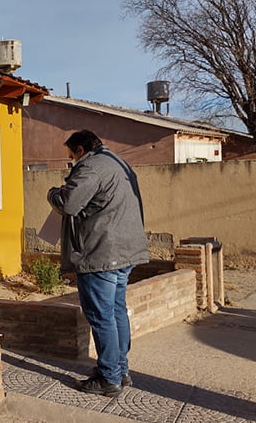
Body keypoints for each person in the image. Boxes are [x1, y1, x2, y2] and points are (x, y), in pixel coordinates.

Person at [46, 130, 148, 398]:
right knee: (115, 312)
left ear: (80, 150)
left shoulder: (91, 166)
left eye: (71, 157)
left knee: (101, 317)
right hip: (125, 252)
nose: (71, 163)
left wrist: (53, 193)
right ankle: (120, 370)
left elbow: (69, 203)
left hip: (101, 253)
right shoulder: (117, 161)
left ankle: (109, 378)